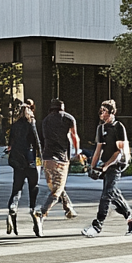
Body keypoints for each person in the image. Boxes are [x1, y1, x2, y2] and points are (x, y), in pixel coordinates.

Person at [82, 100, 132, 237]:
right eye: (100, 110)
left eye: (104, 110)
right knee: (113, 193)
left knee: (106, 195)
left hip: (117, 163)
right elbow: (98, 150)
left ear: (111, 112)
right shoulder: (101, 128)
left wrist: (106, 165)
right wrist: (92, 167)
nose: (101, 113)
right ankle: (131, 218)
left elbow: (119, 152)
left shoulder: (118, 127)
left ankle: (97, 226)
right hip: (107, 163)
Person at [35, 98, 82, 233]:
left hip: (47, 158)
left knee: (57, 186)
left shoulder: (45, 121)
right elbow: (74, 136)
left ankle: (68, 208)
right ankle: (41, 214)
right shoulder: (68, 118)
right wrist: (77, 151)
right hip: (61, 159)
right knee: (56, 191)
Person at [5, 106, 41, 235]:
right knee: (33, 186)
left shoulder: (15, 125)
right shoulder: (31, 123)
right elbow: (36, 140)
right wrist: (40, 156)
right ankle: (33, 209)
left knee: (17, 188)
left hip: (17, 161)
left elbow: (10, 143)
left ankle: (13, 208)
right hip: (29, 160)